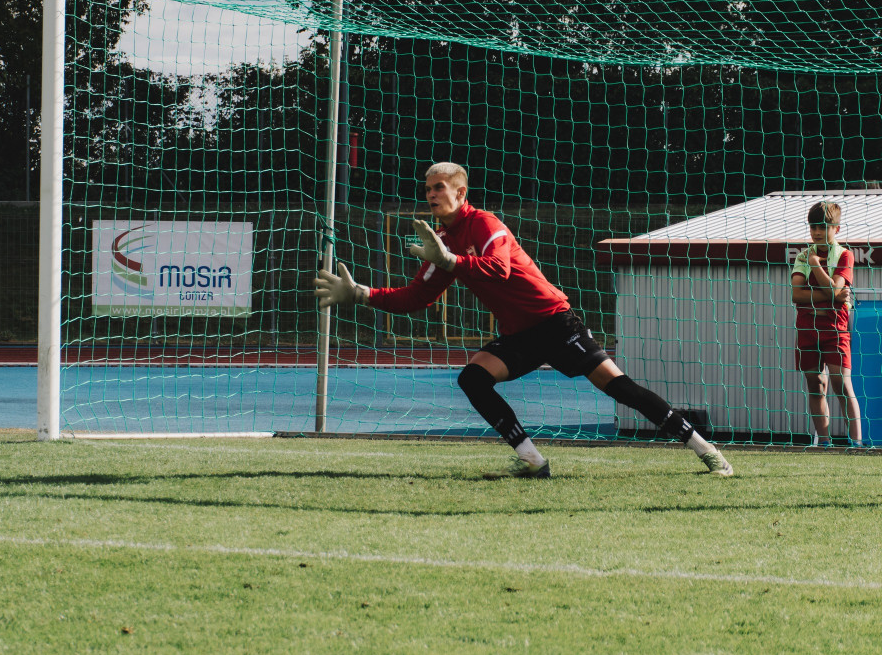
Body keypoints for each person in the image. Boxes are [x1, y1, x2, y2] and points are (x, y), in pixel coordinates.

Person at [314, 162, 733, 478]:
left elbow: (498, 268)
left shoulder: (486, 224)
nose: (430, 194)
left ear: (461, 192)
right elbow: (417, 297)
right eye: (427, 189)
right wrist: (362, 294)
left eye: (439, 187)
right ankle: (532, 459)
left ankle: (704, 449)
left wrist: (451, 260)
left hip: (555, 321)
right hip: (520, 336)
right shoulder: (440, 242)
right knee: (473, 379)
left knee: (620, 389)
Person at [791, 200, 861, 448]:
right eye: (813, 227)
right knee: (815, 383)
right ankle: (824, 441)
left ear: (836, 229)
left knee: (840, 382)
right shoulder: (802, 255)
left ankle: (857, 442)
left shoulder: (844, 255)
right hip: (808, 329)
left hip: (835, 329)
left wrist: (816, 267)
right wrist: (831, 295)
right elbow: (796, 295)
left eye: (822, 226)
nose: (817, 232)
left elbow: (836, 289)